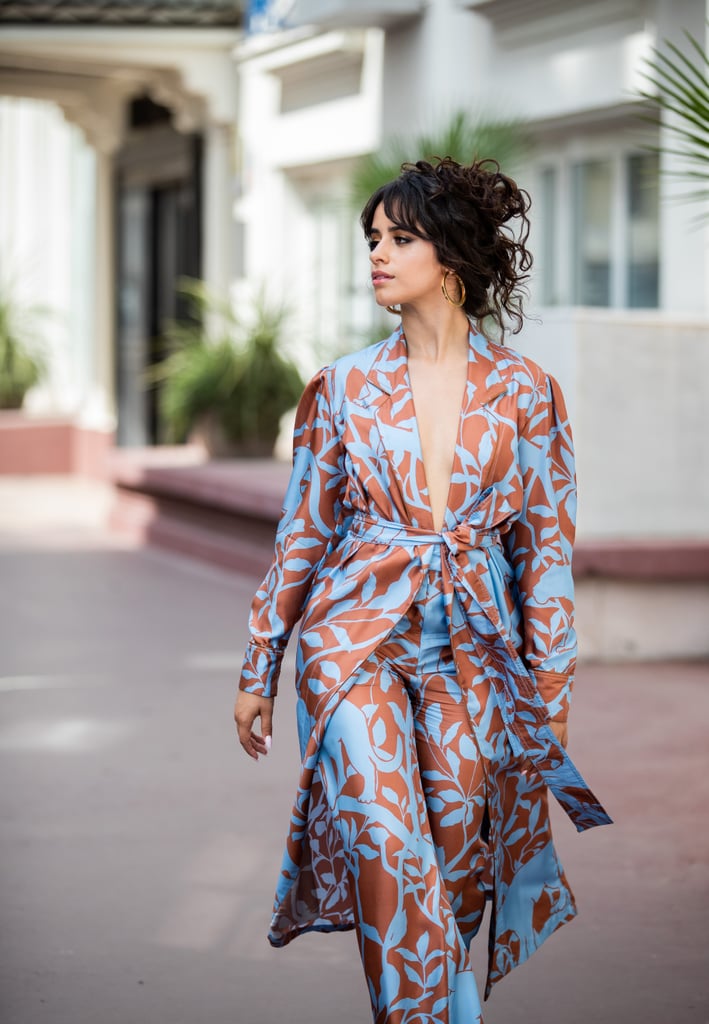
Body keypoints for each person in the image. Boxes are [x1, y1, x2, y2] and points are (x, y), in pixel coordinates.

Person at [233, 157, 611, 1024]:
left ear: (452, 257)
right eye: (372, 239)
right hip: (352, 644)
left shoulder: (526, 395)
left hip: (474, 654)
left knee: (456, 864)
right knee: (388, 840)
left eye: (399, 238)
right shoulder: (340, 388)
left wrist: (549, 693)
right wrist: (261, 666)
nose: (376, 254)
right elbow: (302, 533)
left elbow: (544, 554)